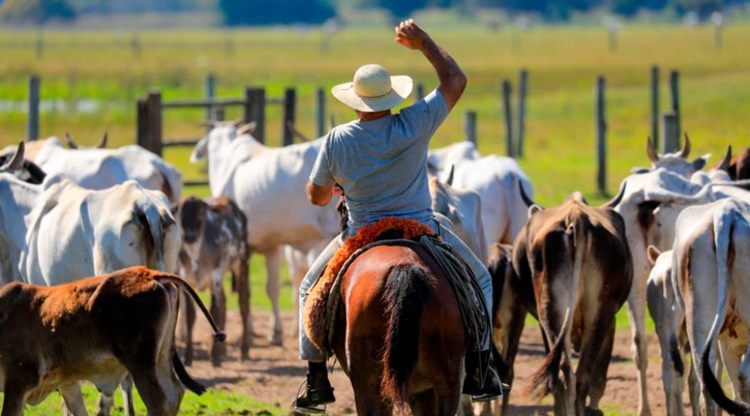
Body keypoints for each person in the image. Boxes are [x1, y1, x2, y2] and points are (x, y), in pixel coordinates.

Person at [293, 19, 506, 413]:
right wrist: (423, 42)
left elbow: (316, 197)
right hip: (421, 229)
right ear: (390, 98)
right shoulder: (414, 122)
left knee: (309, 289)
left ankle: (316, 379)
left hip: (360, 235)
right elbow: (455, 80)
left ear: (355, 102)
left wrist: (337, 185)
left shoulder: (339, 138)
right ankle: (480, 368)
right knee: (479, 279)